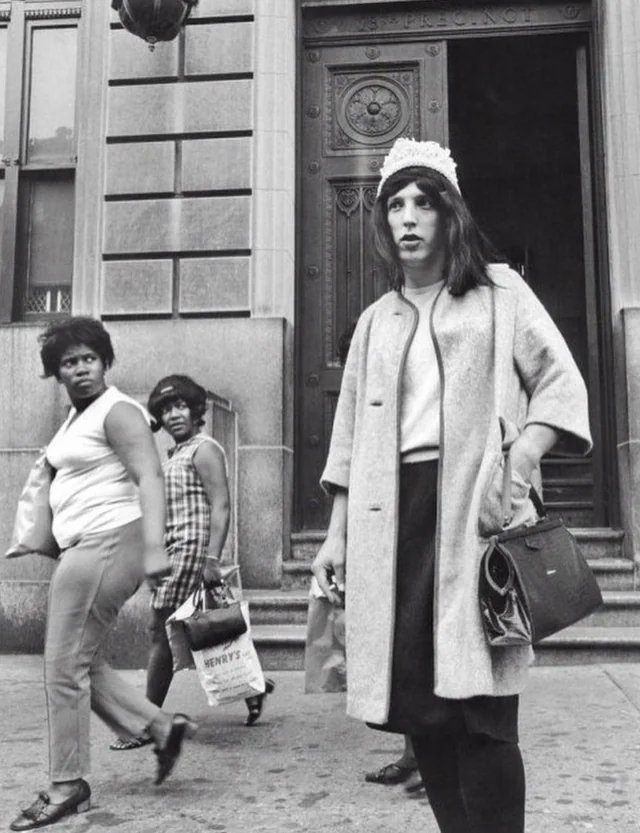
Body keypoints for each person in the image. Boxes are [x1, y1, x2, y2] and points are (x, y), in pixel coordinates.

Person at [312, 137, 591, 833]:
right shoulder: (375, 320)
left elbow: (560, 381)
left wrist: (519, 461)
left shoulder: (500, 292)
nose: (407, 218)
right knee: (423, 713)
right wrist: (335, 537)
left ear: (449, 214)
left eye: (423, 203)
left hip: (477, 514)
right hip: (392, 524)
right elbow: (348, 437)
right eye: (395, 205)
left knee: (484, 711)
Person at [10, 318, 196, 832]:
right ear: (57, 373)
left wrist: (155, 549)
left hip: (108, 541)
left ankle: (67, 785)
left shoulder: (118, 410)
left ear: (104, 361)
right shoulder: (79, 416)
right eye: (69, 362)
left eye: (89, 358)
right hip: (87, 546)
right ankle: (160, 727)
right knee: (81, 661)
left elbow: (149, 475)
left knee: (61, 666)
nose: (80, 368)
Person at [110, 375, 274, 751]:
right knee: (199, 631)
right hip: (173, 552)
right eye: (166, 410)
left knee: (162, 634)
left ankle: (147, 723)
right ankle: (254, 687)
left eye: (180, 406)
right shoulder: (175, 455)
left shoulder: (204, 449)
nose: (173, 415)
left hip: (192, 553)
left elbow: (222, 505)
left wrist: (212, 558)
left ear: (196, 410)